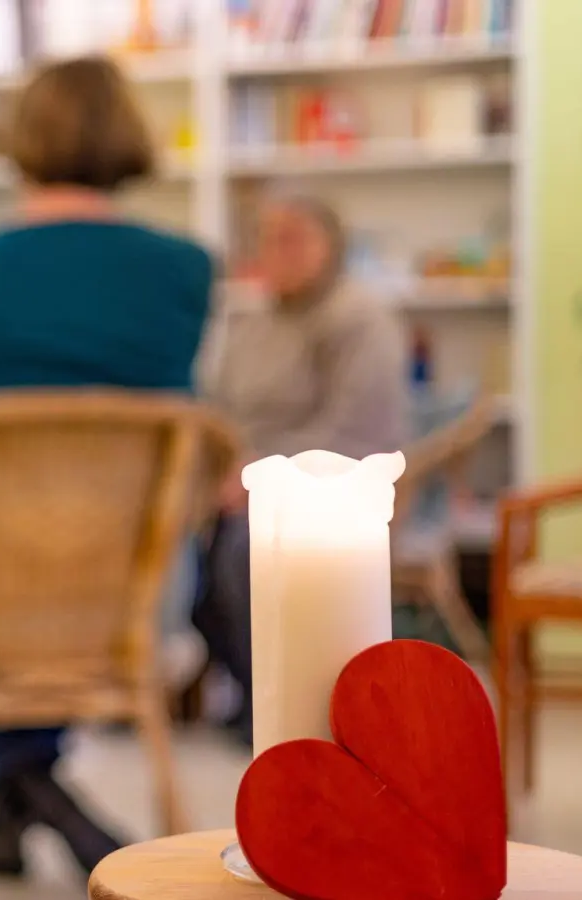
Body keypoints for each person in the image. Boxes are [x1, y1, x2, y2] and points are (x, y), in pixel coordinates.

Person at [0, 56, 216, 879]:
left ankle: (27, 787)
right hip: (138, 590)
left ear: (25, 141)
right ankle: (37, 791)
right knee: (60, 540)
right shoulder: (185, 270)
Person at [195, 194, 411, 747]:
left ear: (331, 245)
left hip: (325, 488)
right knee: (172, 549)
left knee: (245, 550)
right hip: (238, 482)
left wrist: (264, 477)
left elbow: (356, 430)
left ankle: (286, 709)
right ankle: (252, 691)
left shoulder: (360, 320)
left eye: (293, 237)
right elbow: (218, 410)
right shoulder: (253, 322)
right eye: (267, 237)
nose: (277, 252)